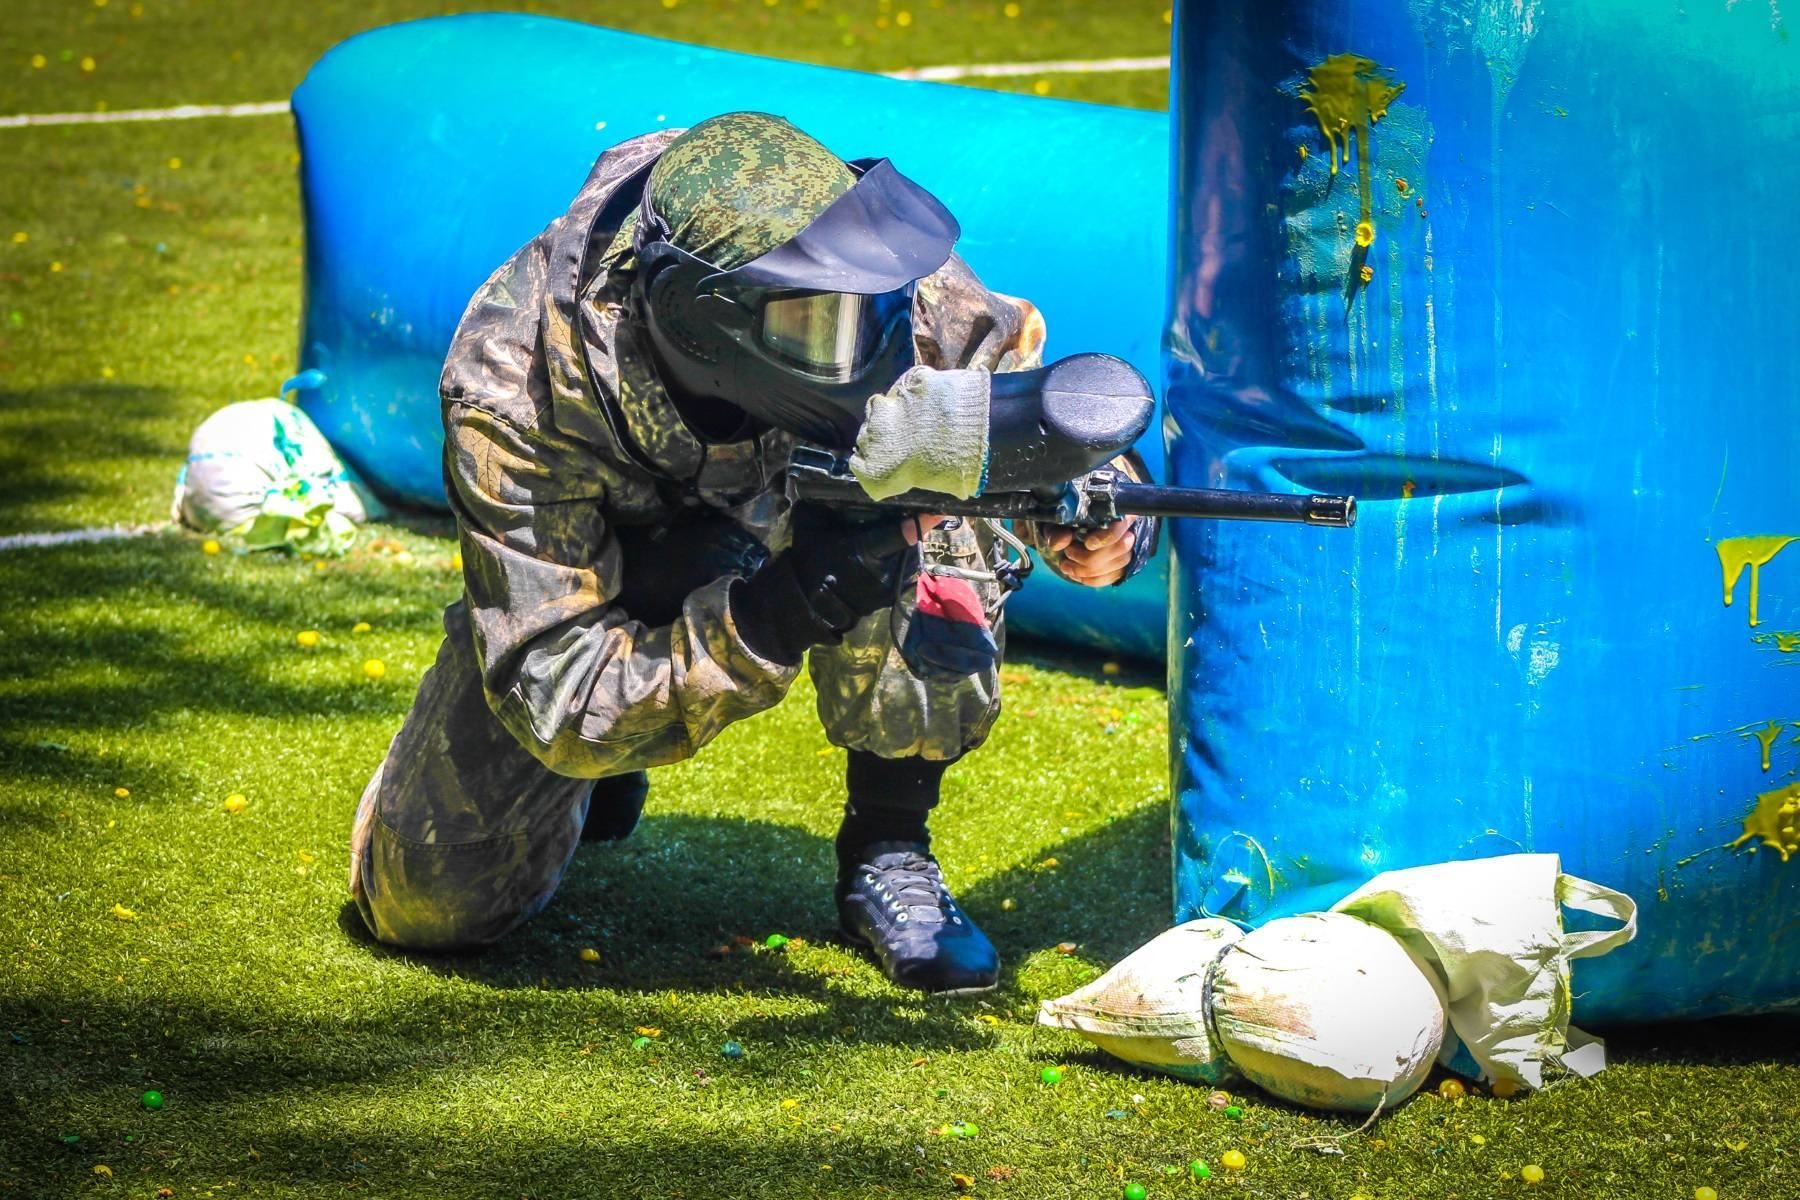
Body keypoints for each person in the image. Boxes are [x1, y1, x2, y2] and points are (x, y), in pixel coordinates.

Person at [348, 112, 1154, 994]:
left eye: (878, 308)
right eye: (826, 326)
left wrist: (1098, 513)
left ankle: (890, 841)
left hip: (796, 514)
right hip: (608, 585)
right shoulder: (519, 385)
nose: (873, 340)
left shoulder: (860, 269)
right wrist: (779, 611)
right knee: (428, 905)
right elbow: (559, 685)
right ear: (700, 321)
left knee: (938, 508)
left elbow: (1007, 398)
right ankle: (608, 770)